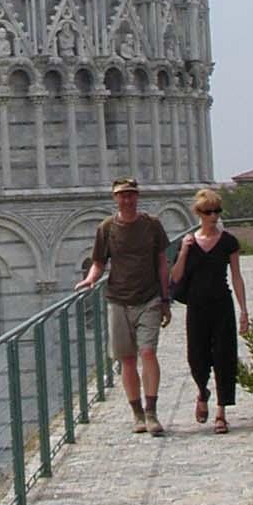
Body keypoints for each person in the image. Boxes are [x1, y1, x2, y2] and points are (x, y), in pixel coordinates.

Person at [75, 176, 170, 435]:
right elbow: (98, 262)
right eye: (122, 194)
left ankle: (151, 412)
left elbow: (162, 262)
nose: (127, 199)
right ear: (115, 198)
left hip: (149, 297)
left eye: (131, 194)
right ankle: (137, 414)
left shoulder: (152, 225)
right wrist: (90, 279)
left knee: (148, 352)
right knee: (127, 360)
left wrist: (165, 297)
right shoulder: (106, 228)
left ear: (137, 196)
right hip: (118, 299)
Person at [169, 188, 249, 433]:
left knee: (225, 357)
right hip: (196, 306)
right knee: (197, 357)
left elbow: (236, 276)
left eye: (217, 211)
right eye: (208, 212)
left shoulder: (228, 242)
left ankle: (221, 412)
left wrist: (244, 310)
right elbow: (175, 277)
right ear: (199, 213)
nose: (213, 216)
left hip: (221, 304)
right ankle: (202, 391)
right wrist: (183, 250)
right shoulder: (190, 243)